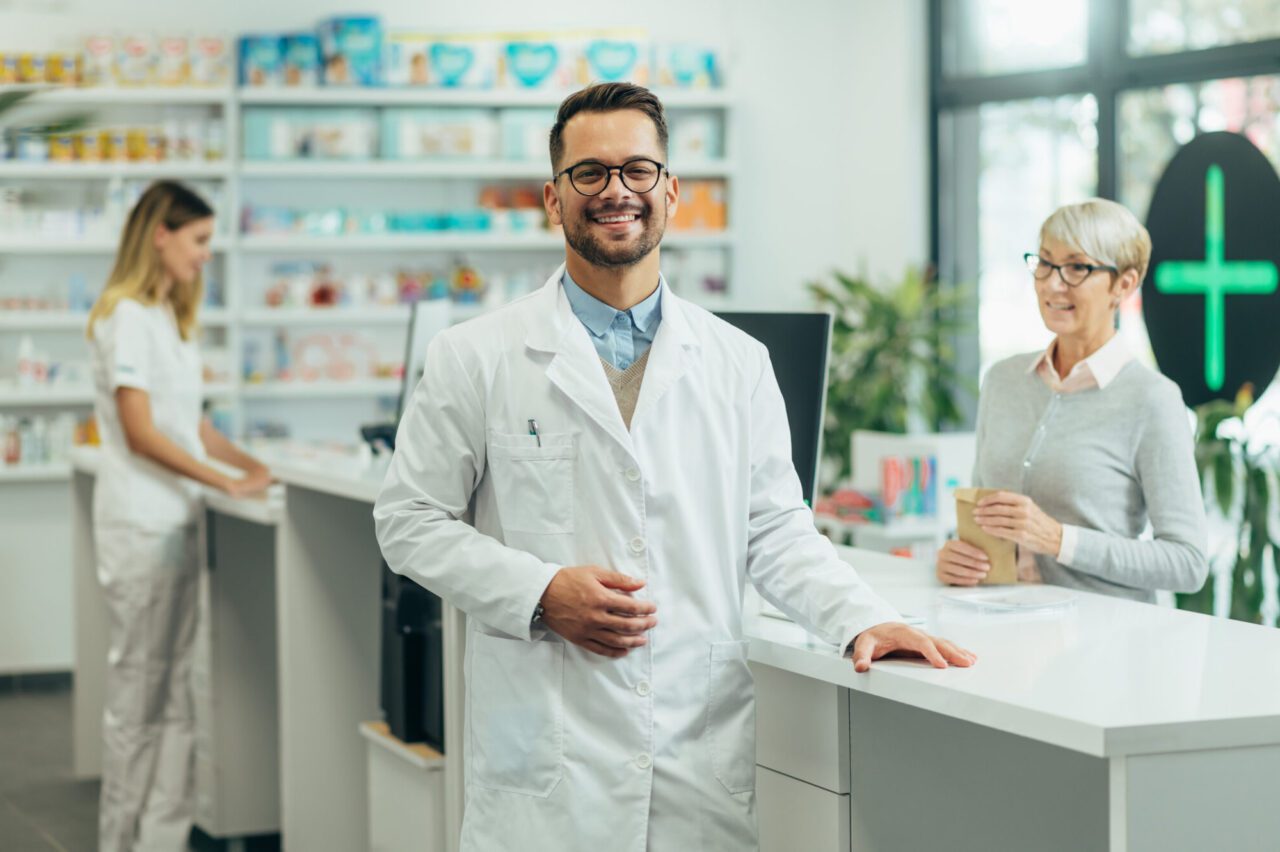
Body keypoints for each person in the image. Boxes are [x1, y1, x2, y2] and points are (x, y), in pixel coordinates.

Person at [374, 82, 975, 851]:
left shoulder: (737, 363)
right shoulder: (476, 355)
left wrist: (864, 617)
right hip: (547, 771)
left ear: (672, 191)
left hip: (696, 755)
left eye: (637, 170)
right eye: (589, 173)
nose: (616, 190)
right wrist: (540, 591)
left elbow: (776, 532)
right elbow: (407, 520)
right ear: (554, 201)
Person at [86, 181, 271, 851]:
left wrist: (255, 467)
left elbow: (186, 423)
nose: (205, 257)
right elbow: (141, 433)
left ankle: (161, 840)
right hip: (142, 524)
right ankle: (120, 840)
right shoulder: (128, 314)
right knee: (140, 697)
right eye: (198, 242)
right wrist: (228, 480)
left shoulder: (165, 314)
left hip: (175, 521)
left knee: (175, 695)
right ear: (160, 234)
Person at [936, 198, 1208, 602]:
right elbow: (981, 520)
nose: (1051, 283)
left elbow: (1187, 563)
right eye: (1044, 262)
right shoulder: (1003, 380)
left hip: (1103, 645)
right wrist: (957, 557)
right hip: (999, 631)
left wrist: (1059, 539)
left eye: (1077, 267)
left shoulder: (1153, 400)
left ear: (1125, 284)